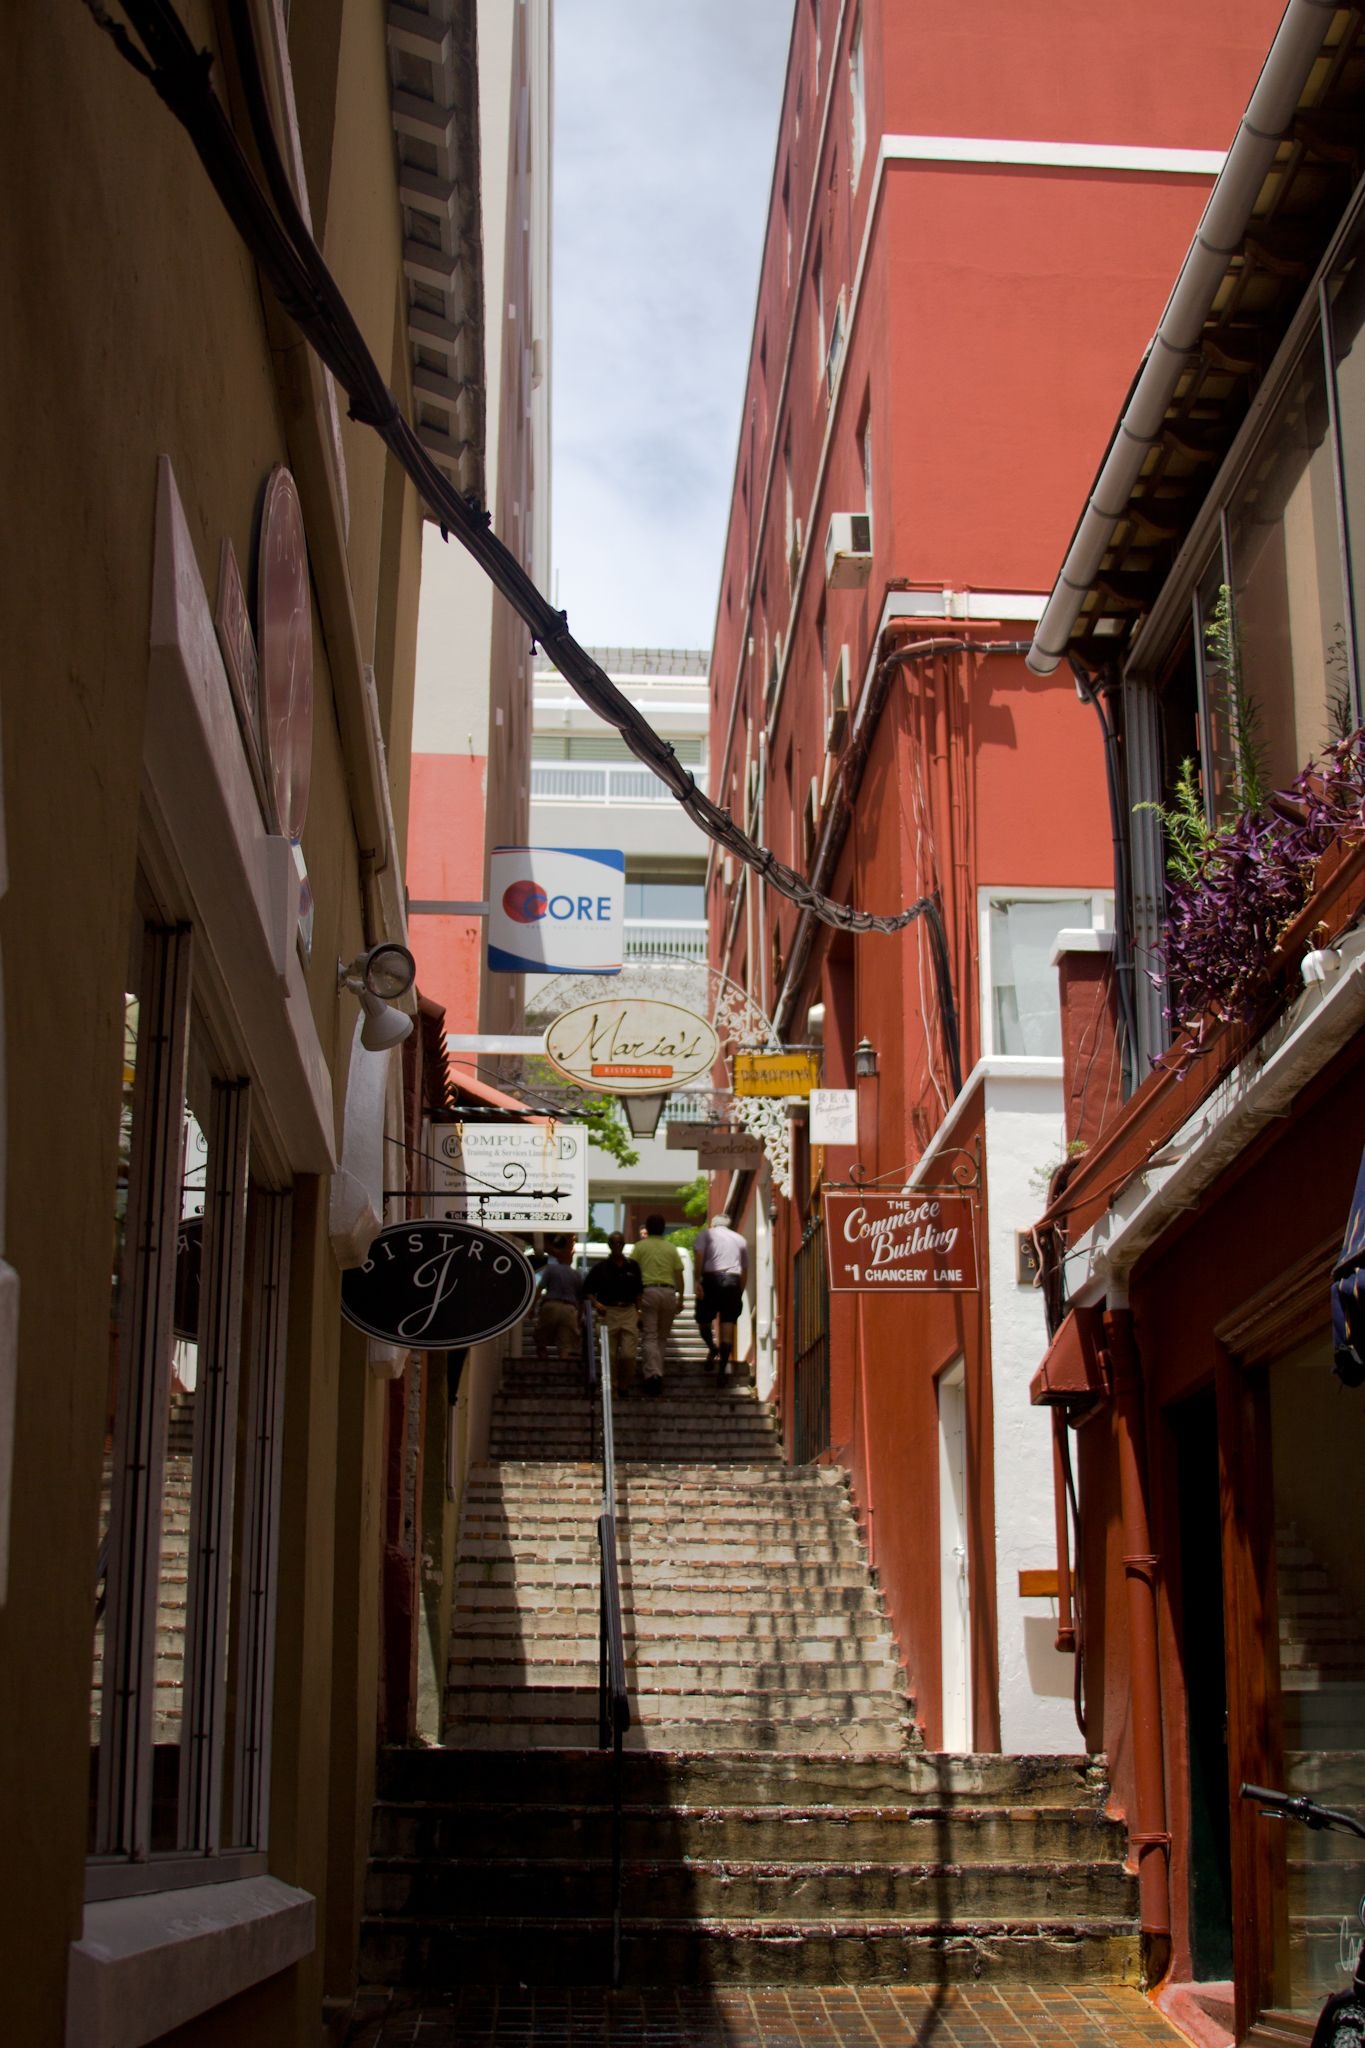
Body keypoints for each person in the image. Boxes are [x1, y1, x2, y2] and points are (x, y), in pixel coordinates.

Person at [627, 1214, 683, 1395]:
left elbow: (632, 1272)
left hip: (648, 1291)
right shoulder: (671, 1248)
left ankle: (653, 1374)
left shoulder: (639, 1247)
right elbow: (679, 1274)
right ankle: (657, 1371)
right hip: (668, 1292)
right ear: (664, 1228)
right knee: (662, 1337)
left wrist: (634, 1299)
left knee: (650, 1335)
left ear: (648, 1229)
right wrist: (680, 1297)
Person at [583, 1233, 644, 1398]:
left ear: (624, 1245)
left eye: (620, 1243)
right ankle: (613, 1388)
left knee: (628, 1354)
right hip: (608, 1312)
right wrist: (596, 1304)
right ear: (610, 1245)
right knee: (609, 1354)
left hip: (629, 1311)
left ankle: (624, 1385)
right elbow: (587, 1291)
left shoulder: (633, 1266)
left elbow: (639, 1292)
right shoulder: (600, 1268)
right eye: (615, 1243)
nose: (618, 1246)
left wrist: (639, 1312)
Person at [693, 1213, 749, 1375]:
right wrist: (739, 1291)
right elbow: (745, 1270)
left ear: (713, 1224)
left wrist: (697, 1280)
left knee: (704, 1322)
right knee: (727, 1326)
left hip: (711, 1280)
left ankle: (712, 1347)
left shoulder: (705, 1234)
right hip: (732, 1282)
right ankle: (723, 1369)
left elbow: (699, 1256)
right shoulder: (740, 1239)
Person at [534, 1236, 582, 1361]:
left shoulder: (551, 1270)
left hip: (551, 1305)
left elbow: (539, 1289)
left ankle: (543, 1361)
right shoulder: (576, 1274)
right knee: (565, 1342)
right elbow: (581, 1298)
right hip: (569, 1309)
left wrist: (532, 1308)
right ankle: (563, 1366)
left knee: (541, 1336)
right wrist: (579, 1316)